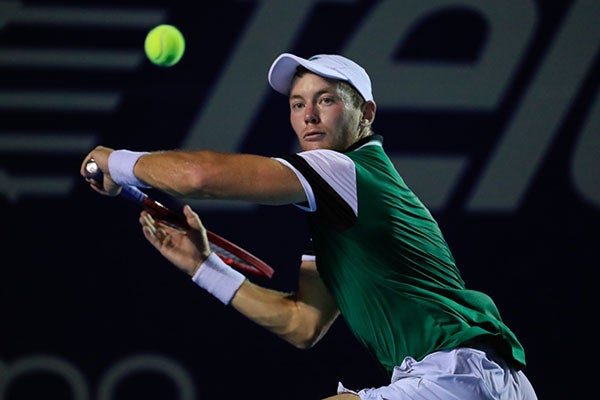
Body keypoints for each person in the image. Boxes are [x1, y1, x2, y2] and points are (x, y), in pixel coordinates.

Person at [81, 53, 538, 399]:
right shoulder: (339, 213)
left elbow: (199, 178)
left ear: (367, 114)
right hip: (483, 381)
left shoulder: (343, 169)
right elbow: (303, 324)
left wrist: (116, 163)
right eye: (298, 104)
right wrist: (204, 267)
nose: (309, 116)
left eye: (327, 101)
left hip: (460, 373)